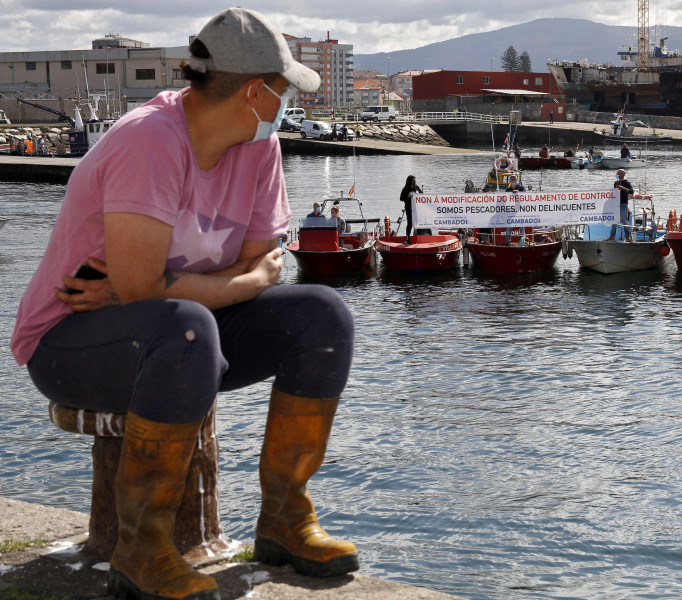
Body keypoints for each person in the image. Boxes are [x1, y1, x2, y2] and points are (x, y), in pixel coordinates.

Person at [9, 8, 359, 600]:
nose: (286, 107)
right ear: (254, 91)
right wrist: (225, 286)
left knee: (323, 316)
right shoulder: (149, 141)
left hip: (179, 333)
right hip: (69, 341)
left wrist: (148, 287)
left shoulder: (258, 149)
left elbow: (247, 267)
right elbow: (227, 277)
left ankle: (284, 519)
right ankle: (141, 550)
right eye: (282, 92)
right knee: (187, 328)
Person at [607, 168, 634, 241]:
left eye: (618, 173)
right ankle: (612, 235)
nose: (617, 175)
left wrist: (623, 188)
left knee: (625, 220)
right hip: (616, 204)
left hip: (623, 203)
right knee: (614, 220)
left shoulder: (627, 183)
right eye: (617, 173)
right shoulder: (616, 183)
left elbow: (631, 191)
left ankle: (627, 237)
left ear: (623, 175)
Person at [399, 174, 422, 244]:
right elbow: (401, 198)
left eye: (415, 181)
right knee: (410, 223)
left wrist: (420, 195)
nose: (415, 182)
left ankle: (419, 237)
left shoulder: (416, 187)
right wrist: (408, 196)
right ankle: (408, 238)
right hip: (409, 208)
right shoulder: (405, 189)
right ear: (410, 181)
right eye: (413, 181)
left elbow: (421, 193)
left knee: (418, 222)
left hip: (415, 208)